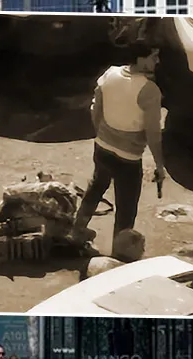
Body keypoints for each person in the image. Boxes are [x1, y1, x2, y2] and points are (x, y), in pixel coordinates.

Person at [70, 39, 165, 250]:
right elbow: (153, 133)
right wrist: (159, 165)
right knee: (126, 209)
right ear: (140, 59)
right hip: (128, 159)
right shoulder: (149, 91)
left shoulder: (109, 74)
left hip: (102, 147)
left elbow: (95, 110)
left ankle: (76, 231)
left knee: (96, 187)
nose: (157, 61)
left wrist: (102, 133)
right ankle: (119, 255)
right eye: (153, 57)